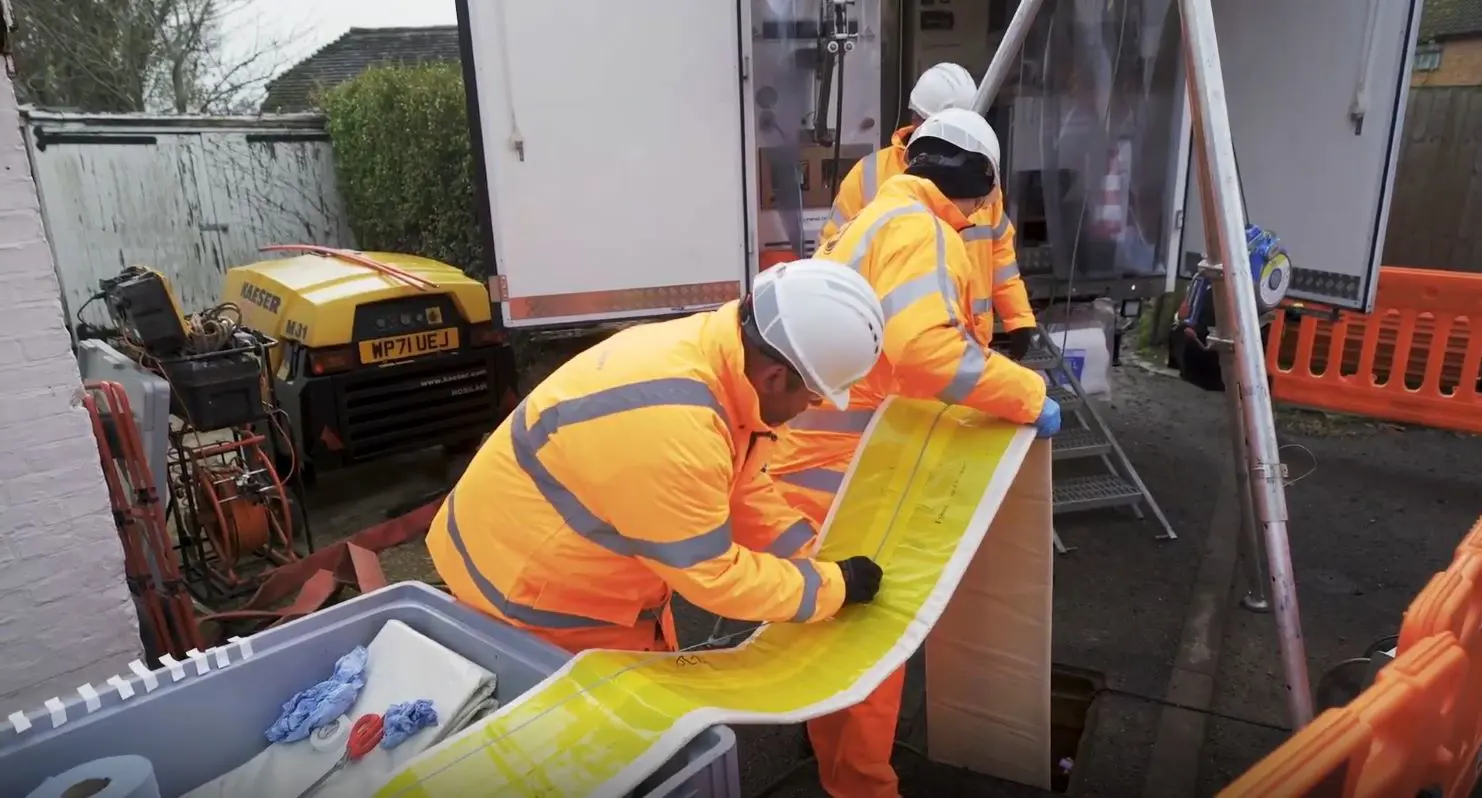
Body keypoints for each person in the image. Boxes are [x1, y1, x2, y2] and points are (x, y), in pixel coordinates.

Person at [774, 108, 1063, 798]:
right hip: (846, 481)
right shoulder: (919, 229)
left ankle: (839, 777)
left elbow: (893, 357)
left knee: (829, 644)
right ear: (978, 178)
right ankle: (864, 789)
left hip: (809, 471)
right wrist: (1024, 394)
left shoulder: (872, 220)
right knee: (875, 648)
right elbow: (925, 352)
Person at [428, 259, 889, 656]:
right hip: (533, 600)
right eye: (812, 397)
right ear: (773, 377)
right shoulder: (679, 428)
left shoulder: (713, 355)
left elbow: (738, 487)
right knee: (622, 744)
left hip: (534, 556)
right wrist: (832, 588)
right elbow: (715, 575)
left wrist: (810, 555)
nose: (810, 408)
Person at [822, 63, 1039, 359]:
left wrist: (1019, 319)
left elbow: (1000, 256)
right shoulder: (870, 175)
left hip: (968, 344)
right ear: (918, 120)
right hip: (894, 352)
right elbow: (834, 261)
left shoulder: (982, 180)